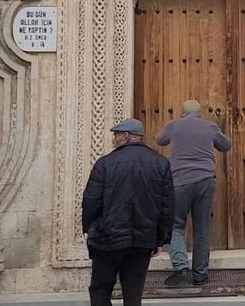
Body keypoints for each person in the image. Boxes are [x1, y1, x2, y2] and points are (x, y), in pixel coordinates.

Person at [82, 118, 175, 306]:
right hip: (143, 238)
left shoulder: (105, 163)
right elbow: (167, 205)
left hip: (108, 238)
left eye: (116, 135)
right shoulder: (160, 163)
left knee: (101, 288)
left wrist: (90, 228)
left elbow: (91, 200)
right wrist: (161, 239)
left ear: (126, 136)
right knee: (133, 290)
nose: (114, 139)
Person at [156, 100, 231, 287]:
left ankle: (181, 267)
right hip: (205, 181)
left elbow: (160, 140)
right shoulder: (209, 126)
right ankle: (200, 275)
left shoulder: (174, 126)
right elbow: (226, 145)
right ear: (199, 112)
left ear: (182, 112)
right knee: (202, 229)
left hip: (179, 182)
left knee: (175, 226)